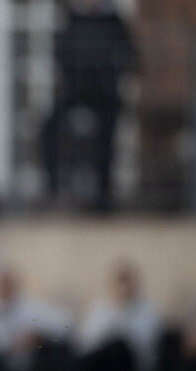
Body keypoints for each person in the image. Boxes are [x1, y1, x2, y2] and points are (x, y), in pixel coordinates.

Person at [41, 0, 135, 213]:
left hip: (104, 92)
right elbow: (61, 54)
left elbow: (130, 54)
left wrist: (112, 72)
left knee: (107, 131)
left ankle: (103, 196)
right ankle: (53, 188)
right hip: (75, 91)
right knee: (48, 126)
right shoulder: (73, 18)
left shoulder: (113, 20)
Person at [56, 261, 161, 371]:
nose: (123, 289)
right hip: (100, 369)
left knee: (118, 345)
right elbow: (86, 341)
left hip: (128, 370)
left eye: (127, 283)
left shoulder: (147, 310)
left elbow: (143, 345)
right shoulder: (100, 308)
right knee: (77, 365)